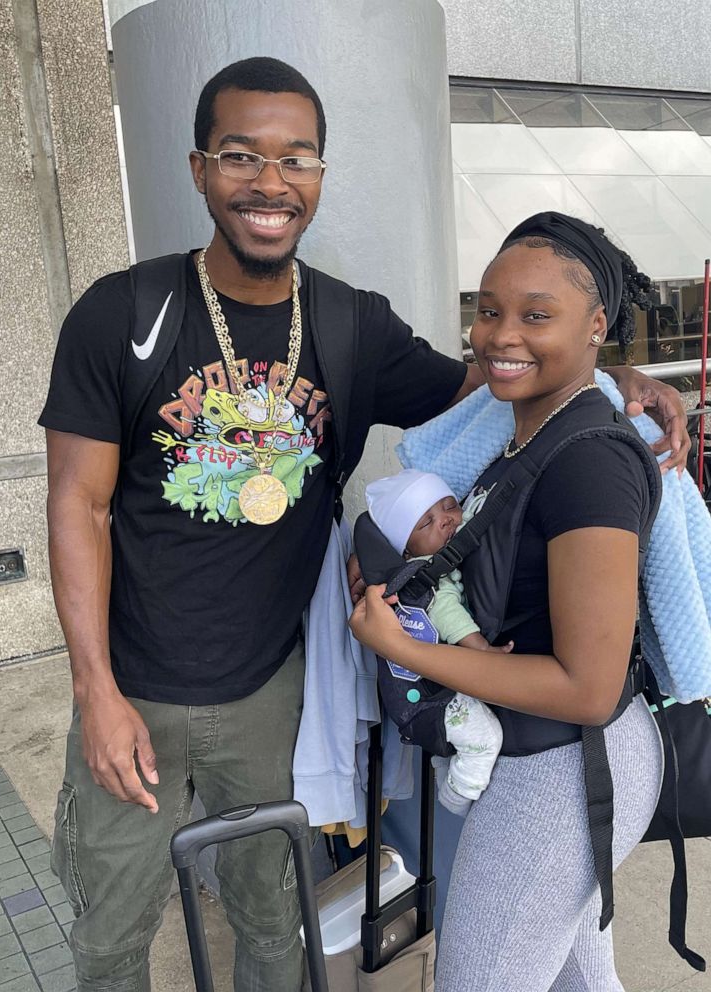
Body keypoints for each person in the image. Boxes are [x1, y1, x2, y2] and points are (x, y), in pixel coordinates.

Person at [39, 53, 686, 992]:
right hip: (131, 682)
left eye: (295, 159)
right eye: (239, 156)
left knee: (273, 916)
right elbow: (77, 505)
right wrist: (95, 690)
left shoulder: (348, 323)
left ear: (320, 176)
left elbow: (501, 369)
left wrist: (621, 376)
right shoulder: (124, 313)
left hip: (269, 690)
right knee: (111, 928)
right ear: (197, 169)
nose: (269, 183)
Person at [350, 212, 666, 990]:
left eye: (535, 315)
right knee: (579, 982)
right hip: (547, 761)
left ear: (596, 325)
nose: (500, 335)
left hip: (565, 772)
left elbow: (587, 690)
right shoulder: (526, 435)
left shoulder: (587, 462)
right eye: (488, 311)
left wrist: (404, 650)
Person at [366, 468, 507, 816]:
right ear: (405, 549)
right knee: (486, 738)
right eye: (425, 523)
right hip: (425, 699)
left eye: (448, 506)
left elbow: (471, 516)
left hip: (429, 696)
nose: (444, 520)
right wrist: (481, 650)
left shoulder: (439, 553)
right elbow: (445, 611)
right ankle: (457, 805)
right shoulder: (424, 573)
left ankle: (451, 783)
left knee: (459, 745)